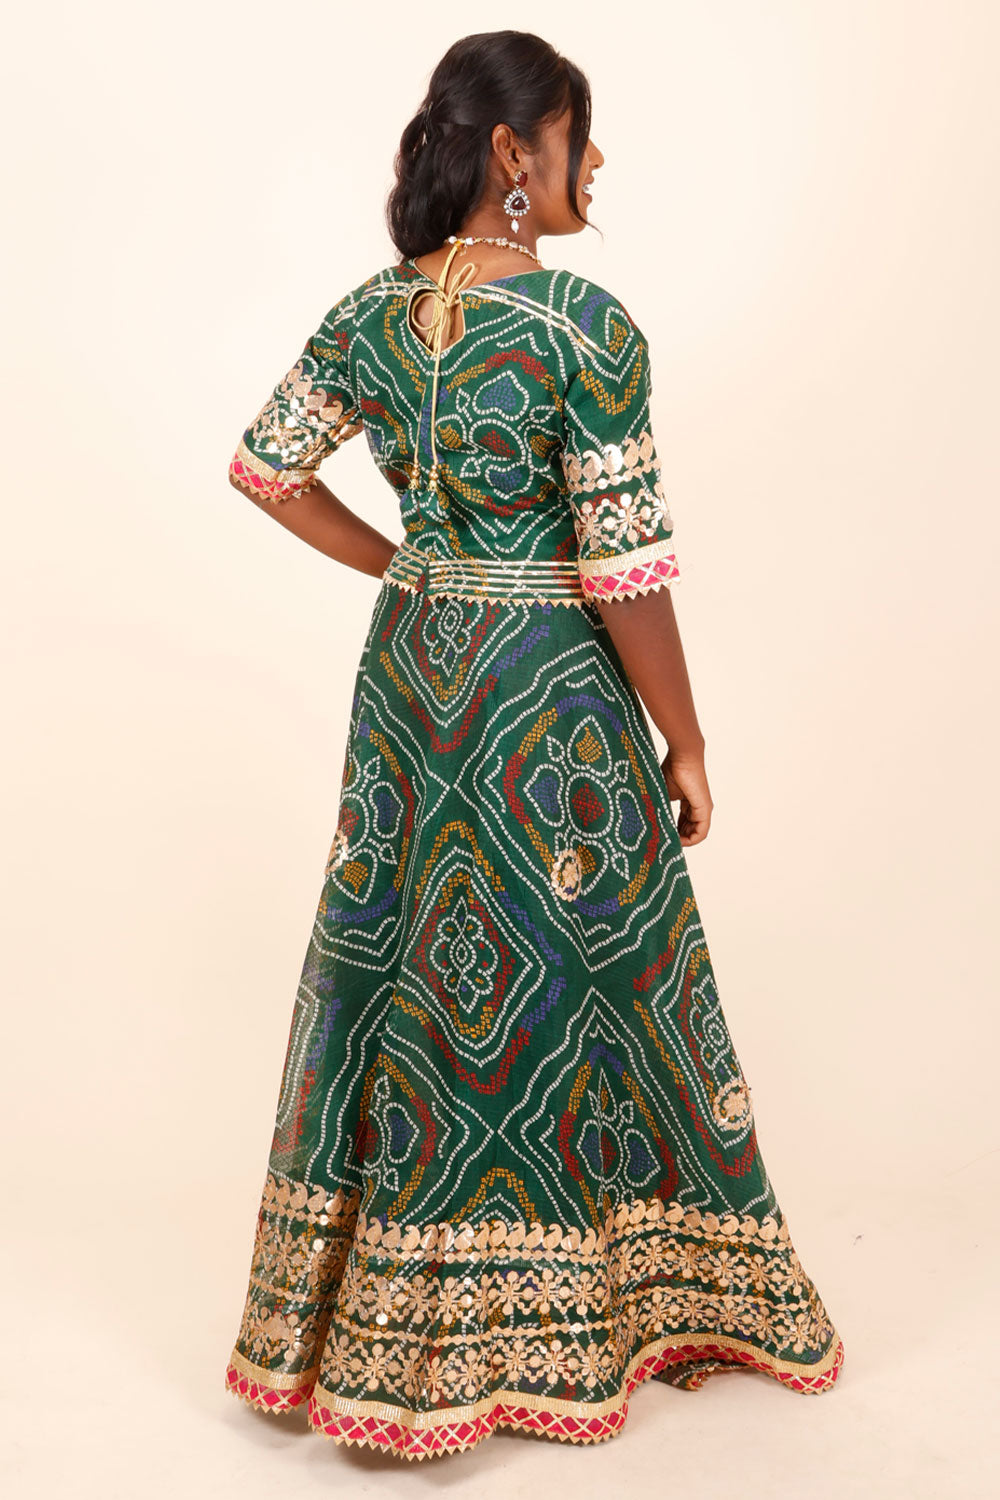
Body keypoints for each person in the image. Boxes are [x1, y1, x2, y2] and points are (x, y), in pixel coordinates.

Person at [223, 28, 844, 1463]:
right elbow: (625, 571)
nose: (595, 160)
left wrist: (407, 564)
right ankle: (607, 1309)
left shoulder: (370, 315)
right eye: (578, 132)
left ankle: (386, 1334)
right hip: (546, 688)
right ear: (515, 151)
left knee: (409, 958)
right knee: (596, 968)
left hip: (413, 677)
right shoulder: (583, 329)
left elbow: (264, 469)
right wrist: (686, 737)